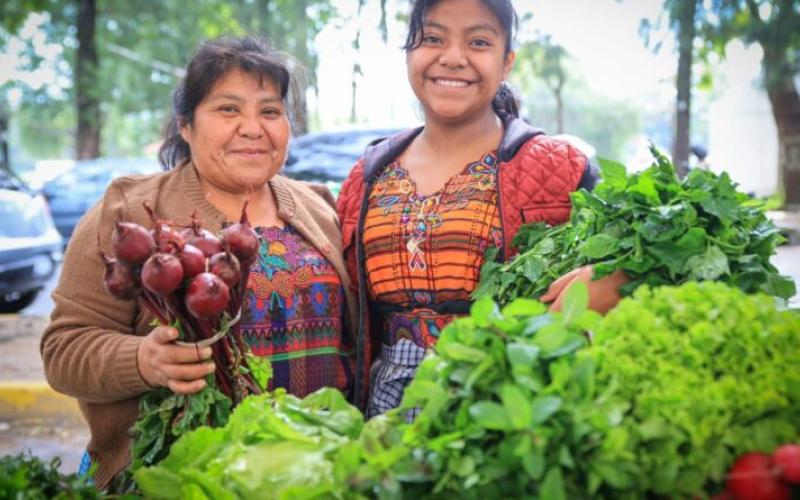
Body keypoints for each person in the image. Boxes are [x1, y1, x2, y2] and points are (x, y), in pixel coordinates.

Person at [41, 36, 356, 489]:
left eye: (270, 111)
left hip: (314, 473)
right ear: (185, 125)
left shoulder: (319, 206)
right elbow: (62, 350)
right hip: (175, 481)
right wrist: (143, 361)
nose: (253, 128)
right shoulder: (127, 211)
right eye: (228, 109)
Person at [336, 0, 628, 417]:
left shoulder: (562, 169)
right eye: (433, 38)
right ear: (409, 53)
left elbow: (641, 258)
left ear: (507, 62)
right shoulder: (365, 178)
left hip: (511, 416)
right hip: (381, 425)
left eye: (478, 41)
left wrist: (615, 276)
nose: (453, 58)